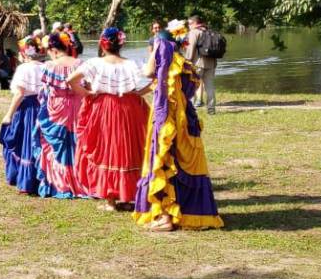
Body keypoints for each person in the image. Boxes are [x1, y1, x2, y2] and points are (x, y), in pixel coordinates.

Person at [134, 20, 223, 231]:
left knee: (165, 162)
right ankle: (184, 212)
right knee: (183, 164)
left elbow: (147, 73)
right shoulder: (184, 64)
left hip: (168, 122)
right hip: (185, 120)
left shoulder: (165, 63)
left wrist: (155, 49)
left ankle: (165, 217)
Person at [68, 27, 151, 211]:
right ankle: (129, 196)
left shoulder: (94, 63)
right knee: (129, 148)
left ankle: (111, 200)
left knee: (106, 148)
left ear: (103, 44)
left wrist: (88, 93)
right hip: (129, 108)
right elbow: (155, 77)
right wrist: (139, 93)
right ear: (121, 44)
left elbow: (71, 80)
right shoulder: (132, 63)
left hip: (104, 107)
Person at [36, 32, 85, 198]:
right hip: (78, 107)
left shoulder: (49, 66)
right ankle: (81, 182)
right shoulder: (80, 64)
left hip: (57, 108)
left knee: (56, 146)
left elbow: (45, 90)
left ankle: (60, 184)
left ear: (53, 49)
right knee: (78, 143)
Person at [0, 37, 45, 195]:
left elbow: (19, 93)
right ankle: (42, 179)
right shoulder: (46, 67)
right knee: (40, 142)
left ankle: (27, 182)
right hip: (43, 107)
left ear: (24, 53)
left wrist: (9, 114)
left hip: (27, 108)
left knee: (25, 141)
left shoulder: (24, 69)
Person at [184, 15, 218, 114]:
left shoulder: (194, 32)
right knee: (210, 87)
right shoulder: (209, 31)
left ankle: (190, 108)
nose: (188, 26)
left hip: (197, 63)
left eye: (189, 23)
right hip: (211, 63)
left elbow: (191, 49)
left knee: (192, 86)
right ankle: (211, 109)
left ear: (195, 23)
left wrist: (186, 61)